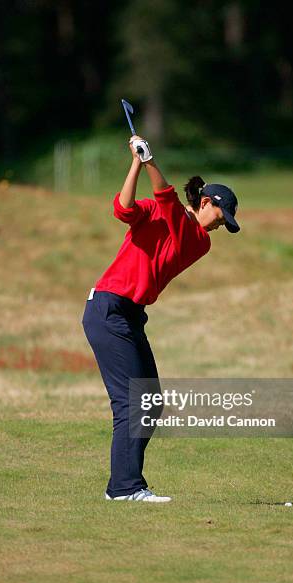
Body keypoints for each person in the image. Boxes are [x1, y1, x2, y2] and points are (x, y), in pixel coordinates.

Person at [82, 134, 240, 503]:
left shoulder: (199, 241)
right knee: (131, 402)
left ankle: (124, 485)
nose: (221, 225)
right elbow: (123, 210)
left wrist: (150, 161)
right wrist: (138, 162)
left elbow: (167, 205)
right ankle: (125, 488)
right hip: (108, 308)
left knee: (149, 400)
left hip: (131, 316)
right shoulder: (161, 213)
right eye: (221, 216)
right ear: (205, 203)